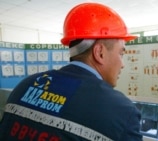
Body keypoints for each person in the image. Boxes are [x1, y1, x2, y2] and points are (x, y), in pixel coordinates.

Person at [0, 2, 143, 141]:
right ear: (100, 53)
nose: (122, 64)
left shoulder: (25, 85)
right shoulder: (123, 113)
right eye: (121, 53)